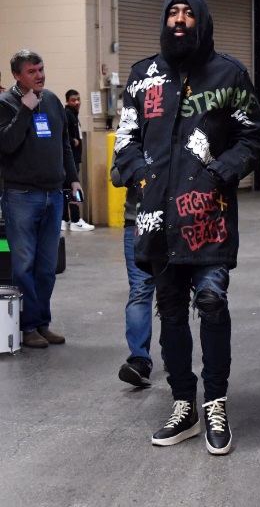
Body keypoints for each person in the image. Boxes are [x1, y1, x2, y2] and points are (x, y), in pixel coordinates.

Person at [114, 0, 260, 455]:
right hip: (157, 220)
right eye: (173, 13)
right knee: (172, 313)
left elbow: (253, 137)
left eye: (188, 13)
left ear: (201, 19)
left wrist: (220, 172)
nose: (179, 20)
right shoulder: (143, 78)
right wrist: (141, 173)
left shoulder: (229, 74)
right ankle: (184, 404)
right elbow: (125, 139)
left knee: (212, 301)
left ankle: (215, 402)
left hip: (209, 218)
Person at [0, 50, 82, 348]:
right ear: (17, 76)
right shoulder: (6, 104)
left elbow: (63, 144)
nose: (40, 75)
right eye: (32, 71)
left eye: (41, 69)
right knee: (24, 265)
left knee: (47, 266)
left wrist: (72, 178)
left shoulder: (51, 100)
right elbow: (6, 145)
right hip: (21, 195)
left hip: (53, 194)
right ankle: (27, 326)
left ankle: (41, 322)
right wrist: (24, 109)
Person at [110, 162, 156, 387]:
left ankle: (174, 352)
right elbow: (116, 177)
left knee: (173, 291)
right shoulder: (128, 130)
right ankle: (139, 360)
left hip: (176, 219)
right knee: (140, 290)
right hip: (137, 220)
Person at [61, 89, 94, 232]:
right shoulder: (68, 115)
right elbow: (62, 136)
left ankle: (65, 219)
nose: (77, 102)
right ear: (67, 101)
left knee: (66, 189)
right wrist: (72, 140)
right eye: (73, 100)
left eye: (78, 99)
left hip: (73, 159)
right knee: (74, 189)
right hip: (70, 160)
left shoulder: (73, 115)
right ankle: (75, 219)